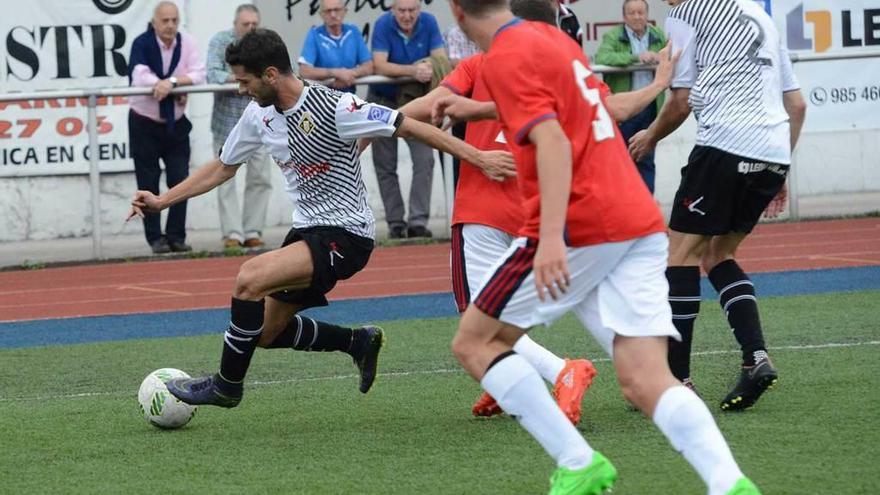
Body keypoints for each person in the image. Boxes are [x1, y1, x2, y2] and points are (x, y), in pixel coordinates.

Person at [445, 1, 762, 494]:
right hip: (635, 218)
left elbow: (549, 138)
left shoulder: (505, 55)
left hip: (580, 222)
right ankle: (730, 483)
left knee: (475, 342)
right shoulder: (556, 42)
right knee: (644, 377)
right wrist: (481, 108)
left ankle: (577, 461)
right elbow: (585, 107)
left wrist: (550, 236)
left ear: (456, 12)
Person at [126, 28, 515, 409]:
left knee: (249, 279)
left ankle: (226, 386)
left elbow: (408, 126)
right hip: (308, 231)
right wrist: (162, 201)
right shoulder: (258, 114)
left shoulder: (335, 107)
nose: (240, 89)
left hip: (347, 235)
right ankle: (357, 342)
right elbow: (222, 168)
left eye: (245, 81)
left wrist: (478, 158)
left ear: (271, 75)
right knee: (262, 333)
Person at [629, 0, 807, 411]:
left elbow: (681, 100)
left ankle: (675, 381)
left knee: (680, 254)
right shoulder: (759, 14)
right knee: (719, 253)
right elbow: (797, 105)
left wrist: (650, 136)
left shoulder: (687, 13)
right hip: (773, 151)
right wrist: (781, 171)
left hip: (725, 143)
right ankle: (755, 357)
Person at [128, 1, 205, 254]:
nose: (170, 25)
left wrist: (171, 83)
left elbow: (199, 74)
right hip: (144, 123)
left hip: (176, 125)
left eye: (174, 20)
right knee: (148, 182)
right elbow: (139, 74)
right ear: (154, 23)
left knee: (180, 179)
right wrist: (162, 85)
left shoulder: (188, 42)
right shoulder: (141, 43)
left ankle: (176, 236)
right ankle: (155, 239)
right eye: (165, 20)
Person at [369, 0, 447, 239]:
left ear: (419, 9)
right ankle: (395, 222)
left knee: (425, 160)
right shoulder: (382, 24)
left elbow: (440, 59)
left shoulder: (430, 22)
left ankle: (418, 221)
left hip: (417, 100)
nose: (407, 15)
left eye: (412, 10)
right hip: (384, 99)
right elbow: (379, 65)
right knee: (385, 164)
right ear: (392, 9)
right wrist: (413, 70)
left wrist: (427, 66)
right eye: (402, 10)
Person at [207, 3, 273, 250]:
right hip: (227, 123)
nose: (251, 28)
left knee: (261, 178)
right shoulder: (220, 41)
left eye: (255, 24)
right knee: (224, 179)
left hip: (262, 123)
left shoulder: (266, 44)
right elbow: (212, 74)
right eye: (246, 24)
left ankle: (253, 230)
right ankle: (232, 234)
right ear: (235, 24)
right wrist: (246, 79)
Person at [594, 0, 666, 192]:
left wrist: (661, 58)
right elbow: (602, 57)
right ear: (624, 17)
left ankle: (646, 213)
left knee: (646, 160)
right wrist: (636, 57)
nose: (637, 16)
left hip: (650, 108)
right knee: (618, 161)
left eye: (640, 12)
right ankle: (622, 214)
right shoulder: (613, 35)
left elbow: (672, 56)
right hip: (623, 109)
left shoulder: (657, 35)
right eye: (632, 13)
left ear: (647, 15)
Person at [298, 0, 374, 93]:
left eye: (336, 9)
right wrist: (336, 73)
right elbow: (304, 71)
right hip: (322, 98)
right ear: (321, 14)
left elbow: (369, 66)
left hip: (349, 99)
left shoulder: (353, 31)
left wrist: (349, 74)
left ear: (345, 11)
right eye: (328, 11)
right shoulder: (315, 34)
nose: (333, 14)